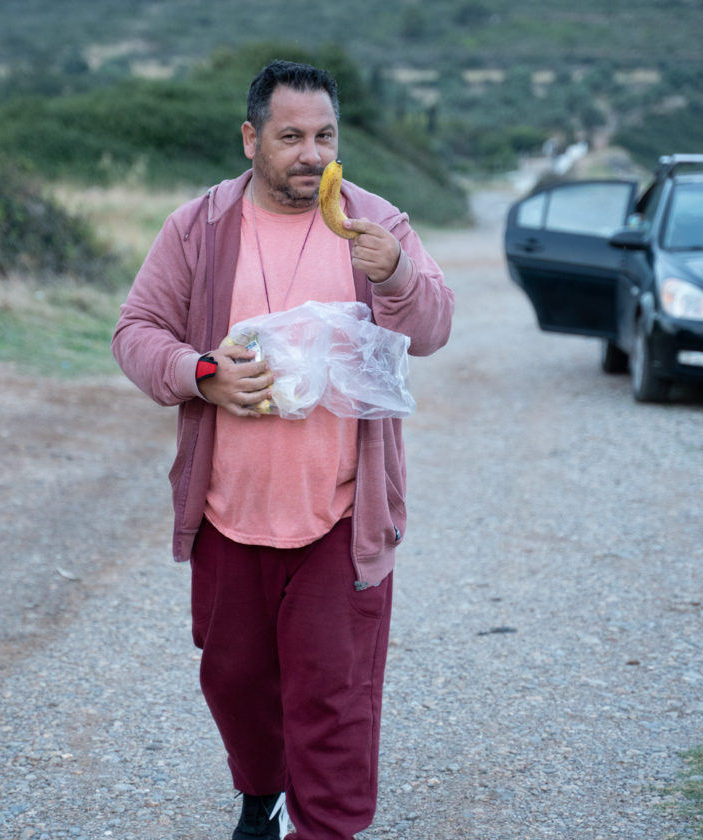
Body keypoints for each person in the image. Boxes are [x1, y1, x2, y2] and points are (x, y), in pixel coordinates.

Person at [112, 59, 454, 840]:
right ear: (251, 139)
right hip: (228, 510)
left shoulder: (376, 223)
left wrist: (397, 274)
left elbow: (434, 328)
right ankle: (263, 790)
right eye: (291, 137)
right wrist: (202, 376)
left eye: (325, 137)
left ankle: (324, 826)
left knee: (332, 693)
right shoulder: (198, 228)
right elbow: (135, 332)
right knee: (234, 679)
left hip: (340, 512)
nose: (312, 155)